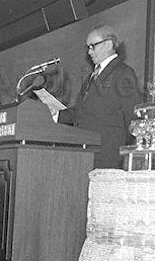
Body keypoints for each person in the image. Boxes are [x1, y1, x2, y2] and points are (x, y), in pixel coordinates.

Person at [59, 24, 142, 168]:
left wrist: (123, 154)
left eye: (93, 46)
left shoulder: (123, 73)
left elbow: (132, 117)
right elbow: (80, 112)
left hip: (108, 157)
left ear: (108, 44)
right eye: (88, 47)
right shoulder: (91, 77)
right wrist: (54, 115)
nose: (89, 52)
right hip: (86, 154)